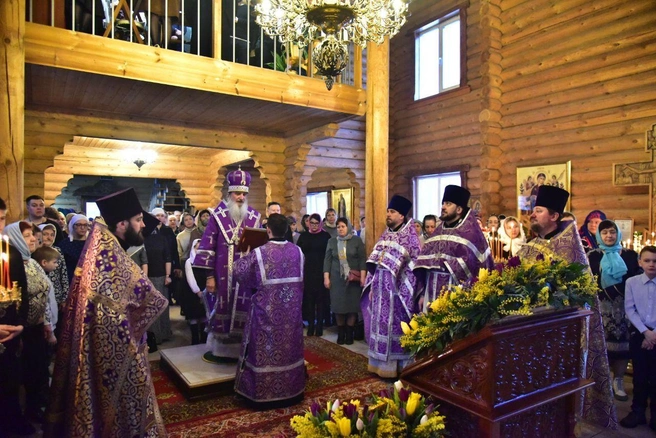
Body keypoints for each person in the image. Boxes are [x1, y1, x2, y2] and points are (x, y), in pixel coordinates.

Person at [45, 188, 168, 438]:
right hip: (113, 345)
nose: (144, 224)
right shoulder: (107, 256)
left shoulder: (105, 249)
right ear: (122, 224)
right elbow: (138, 298)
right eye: (138, 220)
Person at [517, 185, 616, 429]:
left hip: (562, 335)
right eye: (533, 210)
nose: (532, 214)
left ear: (554, 216)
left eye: (538, 210)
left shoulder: (571, 248)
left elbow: (583, 294)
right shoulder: (527, 249)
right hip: (531, 331)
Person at [233, 214, 305, 408]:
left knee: (265, 351)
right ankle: (292, 389)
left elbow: (241, 274)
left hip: (266, 315)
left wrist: (242, 256)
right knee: (289, 349)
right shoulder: (298, 252)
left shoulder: (258, 253)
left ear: (268, 230)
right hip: (291, 316)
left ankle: (264, 393)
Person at [193, 167, 262, 362]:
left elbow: (258, 246)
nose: (241, 197)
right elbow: (207, 247)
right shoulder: (217, 215)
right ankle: (221, 351)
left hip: (246, 277)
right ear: (229, 193)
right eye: (237, 193)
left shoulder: (254, 216)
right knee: (222, 308)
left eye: (244, 194)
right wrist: (209, 277)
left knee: (245, 309)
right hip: (222, 275)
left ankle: (243, 349)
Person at [362, 195, 419, 378]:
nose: (388, 214)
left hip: (397, 295)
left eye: (392, 212)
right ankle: (378, 365)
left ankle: (397, 368)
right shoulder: (386, 234)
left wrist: (402, 288)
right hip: (380, 292)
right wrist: (371, 286)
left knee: (396, 328)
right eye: (388, 211)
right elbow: (375, 262)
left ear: (401, 215)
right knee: (379, 327)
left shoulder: (410, 238)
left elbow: (415, 268)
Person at [4, 222, 55, 424]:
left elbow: (44, 295)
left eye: (33, 235)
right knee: (22, 376)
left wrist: (47, 324)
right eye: (27, 236)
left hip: (37, 328)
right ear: (15, 238)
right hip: (21, 330)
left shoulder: (32, 262)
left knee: (39, 373)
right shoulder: (12, 266)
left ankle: (37, 410)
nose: (34, 238)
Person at [414, 185, 493, 311]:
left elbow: (474, 266)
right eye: (443, 203)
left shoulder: (470, 233)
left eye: (448, 204)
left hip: (456, 296)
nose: (443, 207)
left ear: (459, 209)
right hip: (431, 295)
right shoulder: (438, 231)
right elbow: (424, 265)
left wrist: (444, 263)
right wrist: (423, 294)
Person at [588, 220, 640, 402]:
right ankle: (602, 382)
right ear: (599, 235)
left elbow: (637, 280)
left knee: (623, 346)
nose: (609, 236)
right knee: (602, 346)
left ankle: (618, 380)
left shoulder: (631, 255)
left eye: (612, 232)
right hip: (601, 309)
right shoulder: (592, 256)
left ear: (617, 234)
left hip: (625, 308)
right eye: (604, 233)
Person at [0, 198, 32, 436]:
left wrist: (20, 324)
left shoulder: (8, 252)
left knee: (9, 386)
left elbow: (21, 292)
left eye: (1, 219)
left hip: (9, 333)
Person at [621, 246, 656, 430]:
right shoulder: (632, 282)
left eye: (655, 261)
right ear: (640, 262)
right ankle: (638, 411)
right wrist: (645, 332)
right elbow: (630, 309)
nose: (651, 264)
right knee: (640, 375)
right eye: (647, 260)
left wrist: (654, 333)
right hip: (640, 334)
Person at [323, 217, 366, 345]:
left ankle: (349, 333)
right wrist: (326, 277)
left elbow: (362, 260)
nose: (340, 229)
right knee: (338, 307)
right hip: (337, 280)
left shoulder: (356, 240)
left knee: (352, 307)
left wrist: (363, 277)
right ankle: (341, 333)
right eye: (338, 227)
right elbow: (327, 260)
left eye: (343, 226)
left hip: (353, 280)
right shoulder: (331, 241)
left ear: (348, 227)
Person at [297, 213, 331, 336]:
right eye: (312, 223)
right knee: (309, 300)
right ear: (308, 223)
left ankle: (319, 326)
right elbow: (299, 254)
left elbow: (329, 255)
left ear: (320, 223)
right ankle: (311, 325)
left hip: (322, 272)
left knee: (321, 300)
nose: (314, 225)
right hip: (308, 272)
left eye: (317, 223)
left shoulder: (326, 236)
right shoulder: (304, 236)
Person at [183, 239, 208, 345]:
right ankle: (195, 341)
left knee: (203, 316)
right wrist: (197, 291)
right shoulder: (189, 262)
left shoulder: (206, 261)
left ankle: (204, 340)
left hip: (205, 291)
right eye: (197, 248)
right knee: (194, 317)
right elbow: (191, 278)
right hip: (192, 293)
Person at [56, 213, 89, 282]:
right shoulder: (64, 244)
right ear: (72, 226)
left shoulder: (91, 244)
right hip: (70, 280)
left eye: (85, 225)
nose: (82, 227)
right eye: (79, 225)